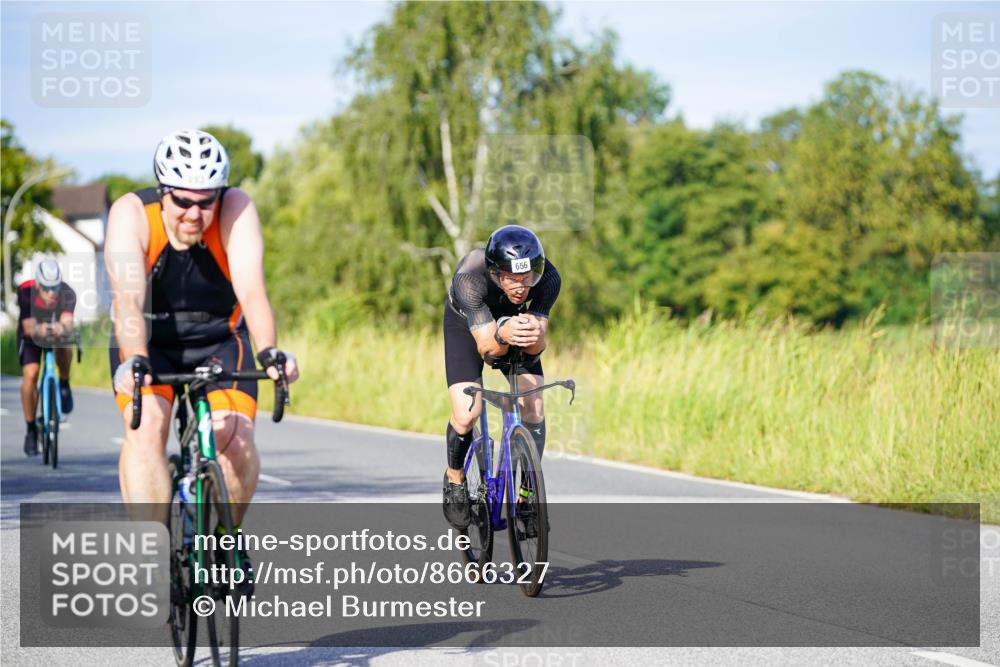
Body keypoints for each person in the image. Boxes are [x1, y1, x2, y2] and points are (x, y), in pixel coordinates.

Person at [105, 129, 299, 587]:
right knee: (147, 427)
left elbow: (251, 289)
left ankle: (225, 538)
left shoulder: (236, 209)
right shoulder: (131, 214)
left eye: (205, 202)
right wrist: (134, 361)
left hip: (218, 338)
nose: (195, 213)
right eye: (183, 202)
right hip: (148, 340)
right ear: (162, 192)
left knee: (234, 440)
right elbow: (128, 299)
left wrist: (269, 351)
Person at [441, 224, 561, 529]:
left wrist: (531, 334)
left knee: (533, 404)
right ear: (496, 273)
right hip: (469, 328)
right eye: (512, 279)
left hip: (511, 328)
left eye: (527, 279)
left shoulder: (547, 279)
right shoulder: (469, 279)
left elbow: (537, 347)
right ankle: (455, 479)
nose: (522, 287)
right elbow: (488, 351)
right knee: (468, 413)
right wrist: (503, 331)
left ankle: (527, 494)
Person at [16, 258, 76, 455]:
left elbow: (67, 323)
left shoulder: (67, 293)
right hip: (31, 335)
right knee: (31, 373)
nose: (52, 293)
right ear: (38, 285)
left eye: (55, 288)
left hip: (54, 331)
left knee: (66, 344)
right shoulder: (26, 291)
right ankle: (31, 429)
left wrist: (62, 328)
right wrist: (41, 328)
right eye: (47, 288)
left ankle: (64, 383)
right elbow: (29, 327)